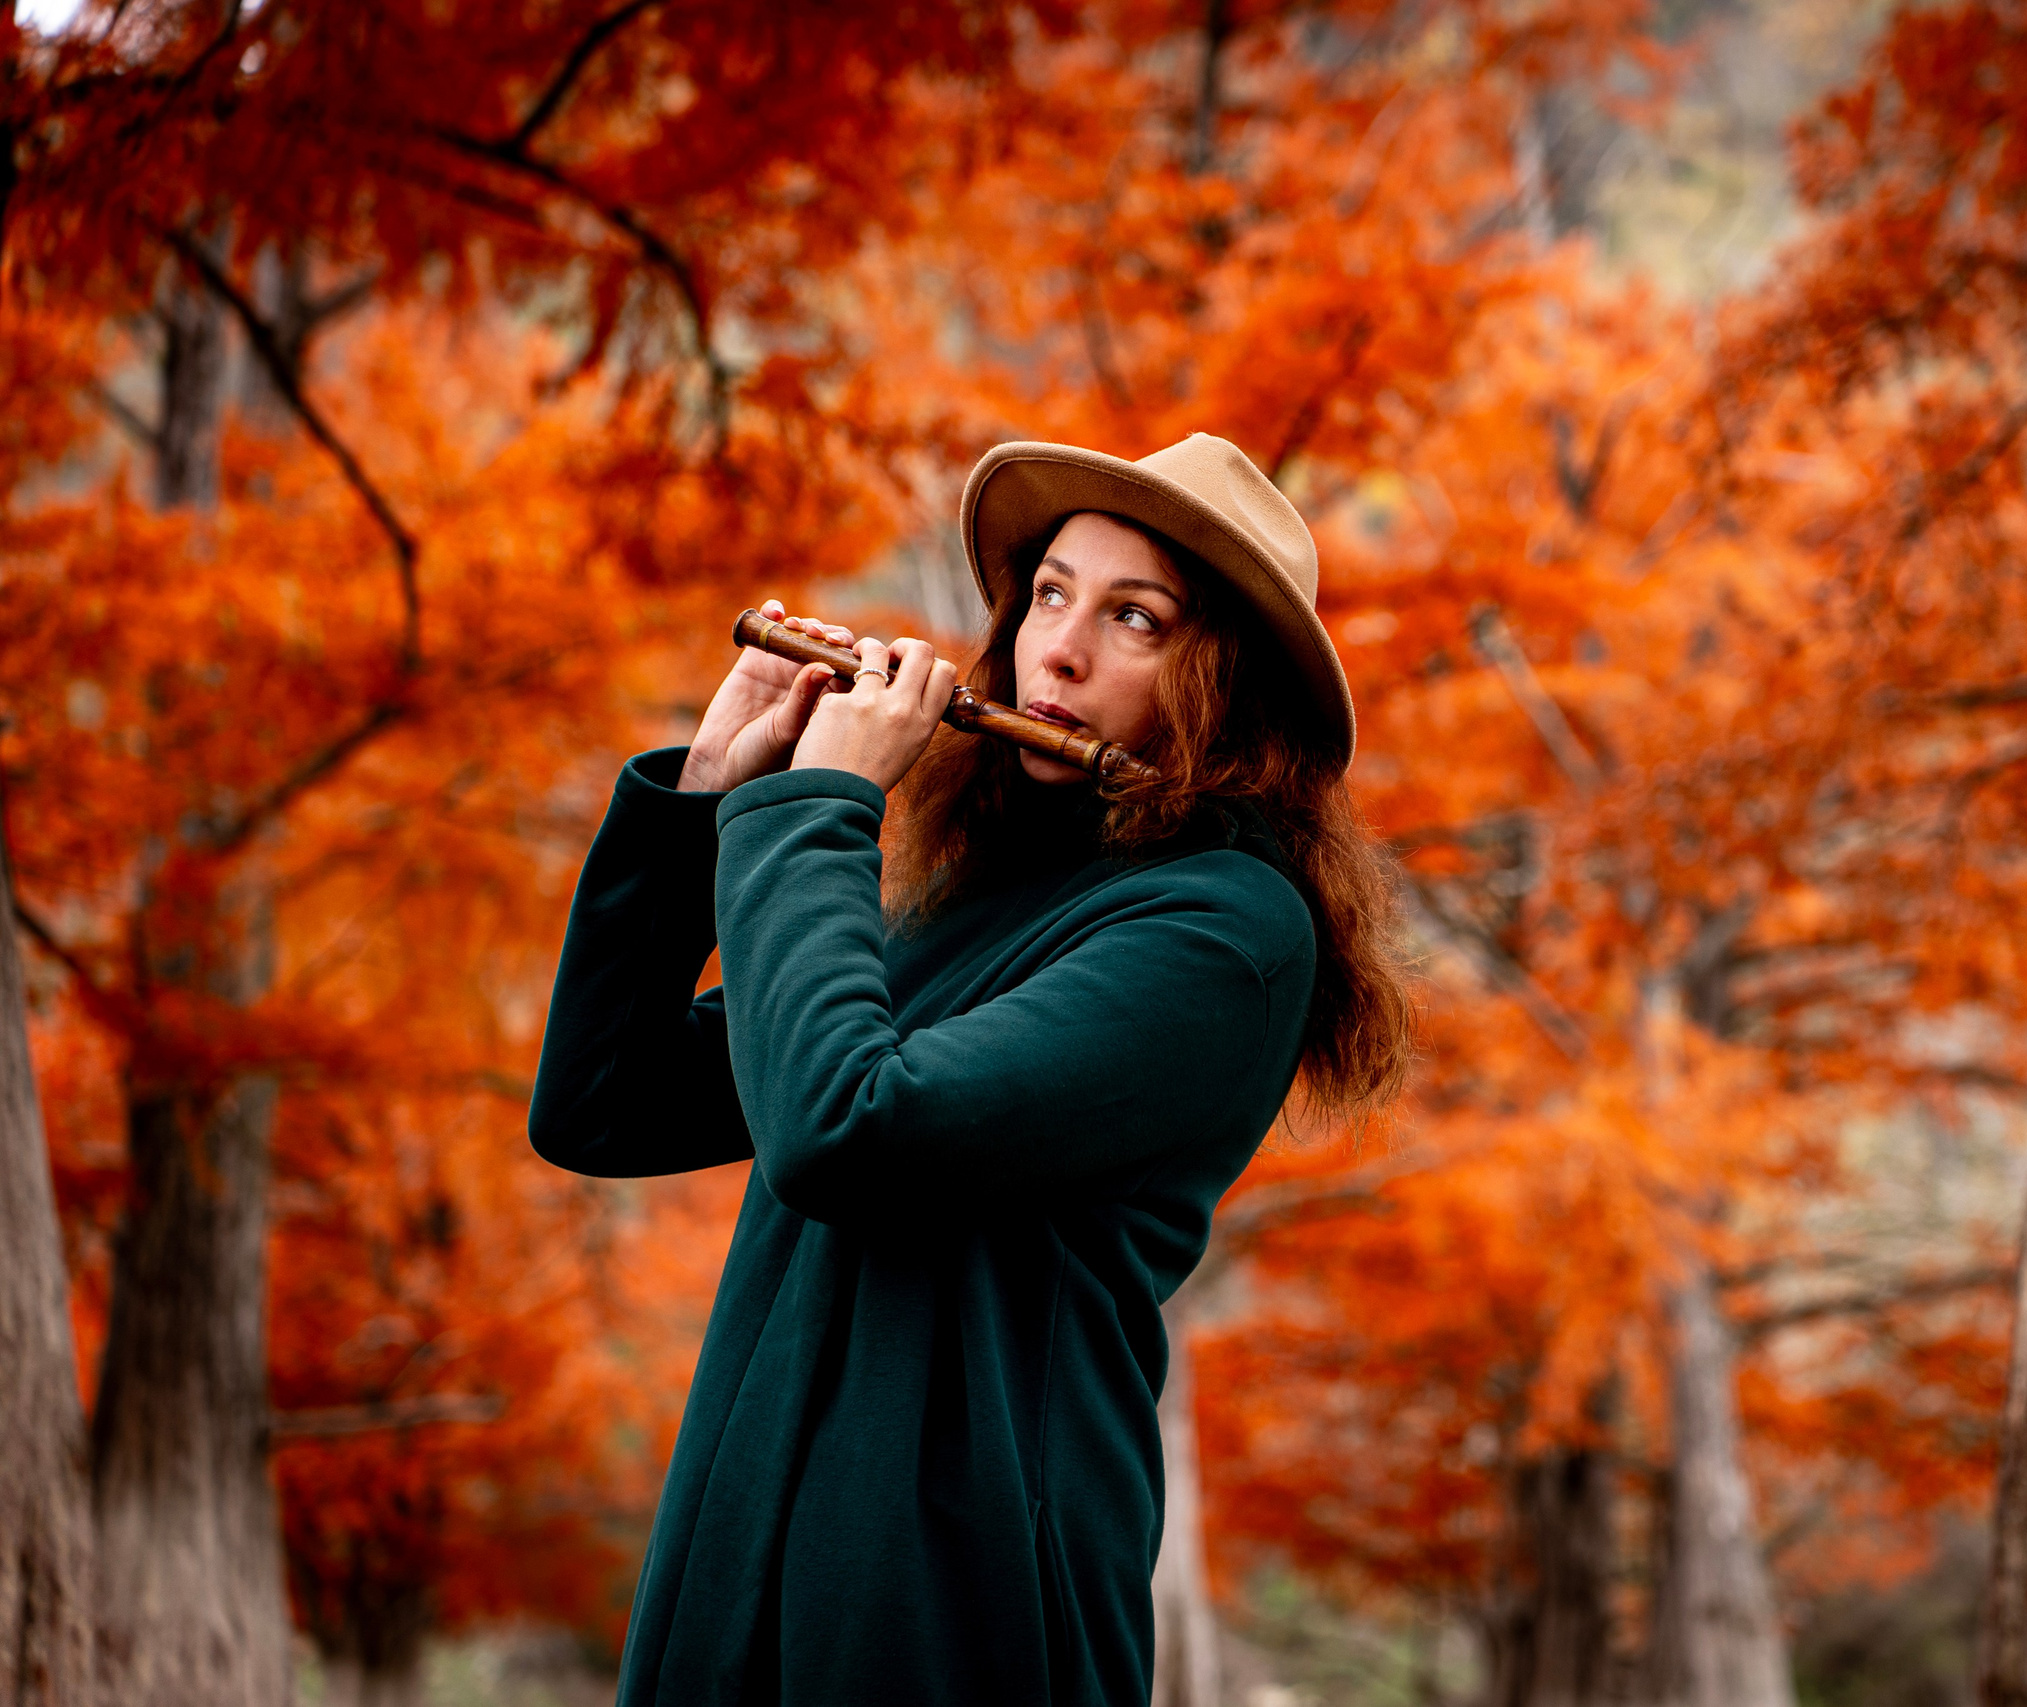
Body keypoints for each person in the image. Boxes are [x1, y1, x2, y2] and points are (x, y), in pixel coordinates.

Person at [529, 432, 1411, 1705]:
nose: (1058, 648)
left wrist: (820, 809)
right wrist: (710, 801)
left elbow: (850, 1131)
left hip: (953, 1599)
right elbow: (602, 1104)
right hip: (747, 1571)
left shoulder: (1224, 933)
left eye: (1135, 620)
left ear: (1229, 685)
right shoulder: (977, 901)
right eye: (1050, 592)